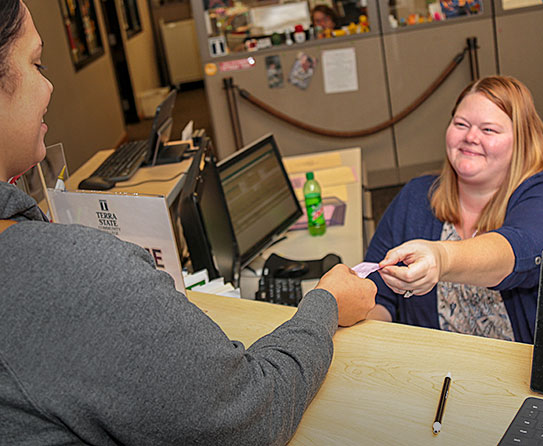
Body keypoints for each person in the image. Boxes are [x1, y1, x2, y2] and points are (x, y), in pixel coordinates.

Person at [0, 2, 376, 444]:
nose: (48, 86)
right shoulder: (77, 276)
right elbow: (253, 416)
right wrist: (326, 305)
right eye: (36, 63)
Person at [363, 76, 543, 344]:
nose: (470, 137)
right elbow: (378, 294)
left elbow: (518, 251)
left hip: (525, 367)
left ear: (523, 141)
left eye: (489, 130)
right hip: (434, 364)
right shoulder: (417, 197)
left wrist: (441, 258)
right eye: (461, 124)